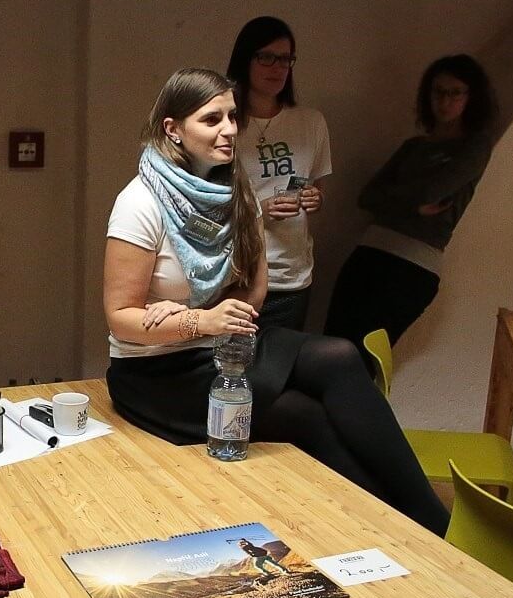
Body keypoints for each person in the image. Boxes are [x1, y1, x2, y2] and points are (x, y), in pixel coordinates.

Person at [102, 67, 447, 534]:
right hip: (158, 373)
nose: (229, 129)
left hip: (221, 345)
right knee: (303, 414)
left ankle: (425, 519)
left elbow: (254, 291)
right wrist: (199, 321)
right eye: (211, 119)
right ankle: (409, 527)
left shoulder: (235, 190)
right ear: (173, 129)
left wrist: (200, 316)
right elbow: (121, 317)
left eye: (232, 116)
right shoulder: (140, 202)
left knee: (340, 355)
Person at [323, 53, 497, 347]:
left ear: (471, 97)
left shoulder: (474, 146)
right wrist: (413, 205)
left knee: (364, 355)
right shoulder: (413, 146)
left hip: (413, 265)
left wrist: (397, 196)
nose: (445, 101)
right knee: (331, 345)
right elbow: (368, 196)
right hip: (368, 254)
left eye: (455, 93)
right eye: (438, 92)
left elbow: (431, 192)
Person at [226, 16, 332, 332]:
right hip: (238, 273)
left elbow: (317, 185)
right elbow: (202, 208)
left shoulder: (310, 122)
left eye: (285, 59)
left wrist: (316, 198)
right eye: (267, 57)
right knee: (235, 361)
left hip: (293, 275)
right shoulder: (224, 125)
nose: (278, 68)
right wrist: (260, 210)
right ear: (246, 60)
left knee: (284, 359)